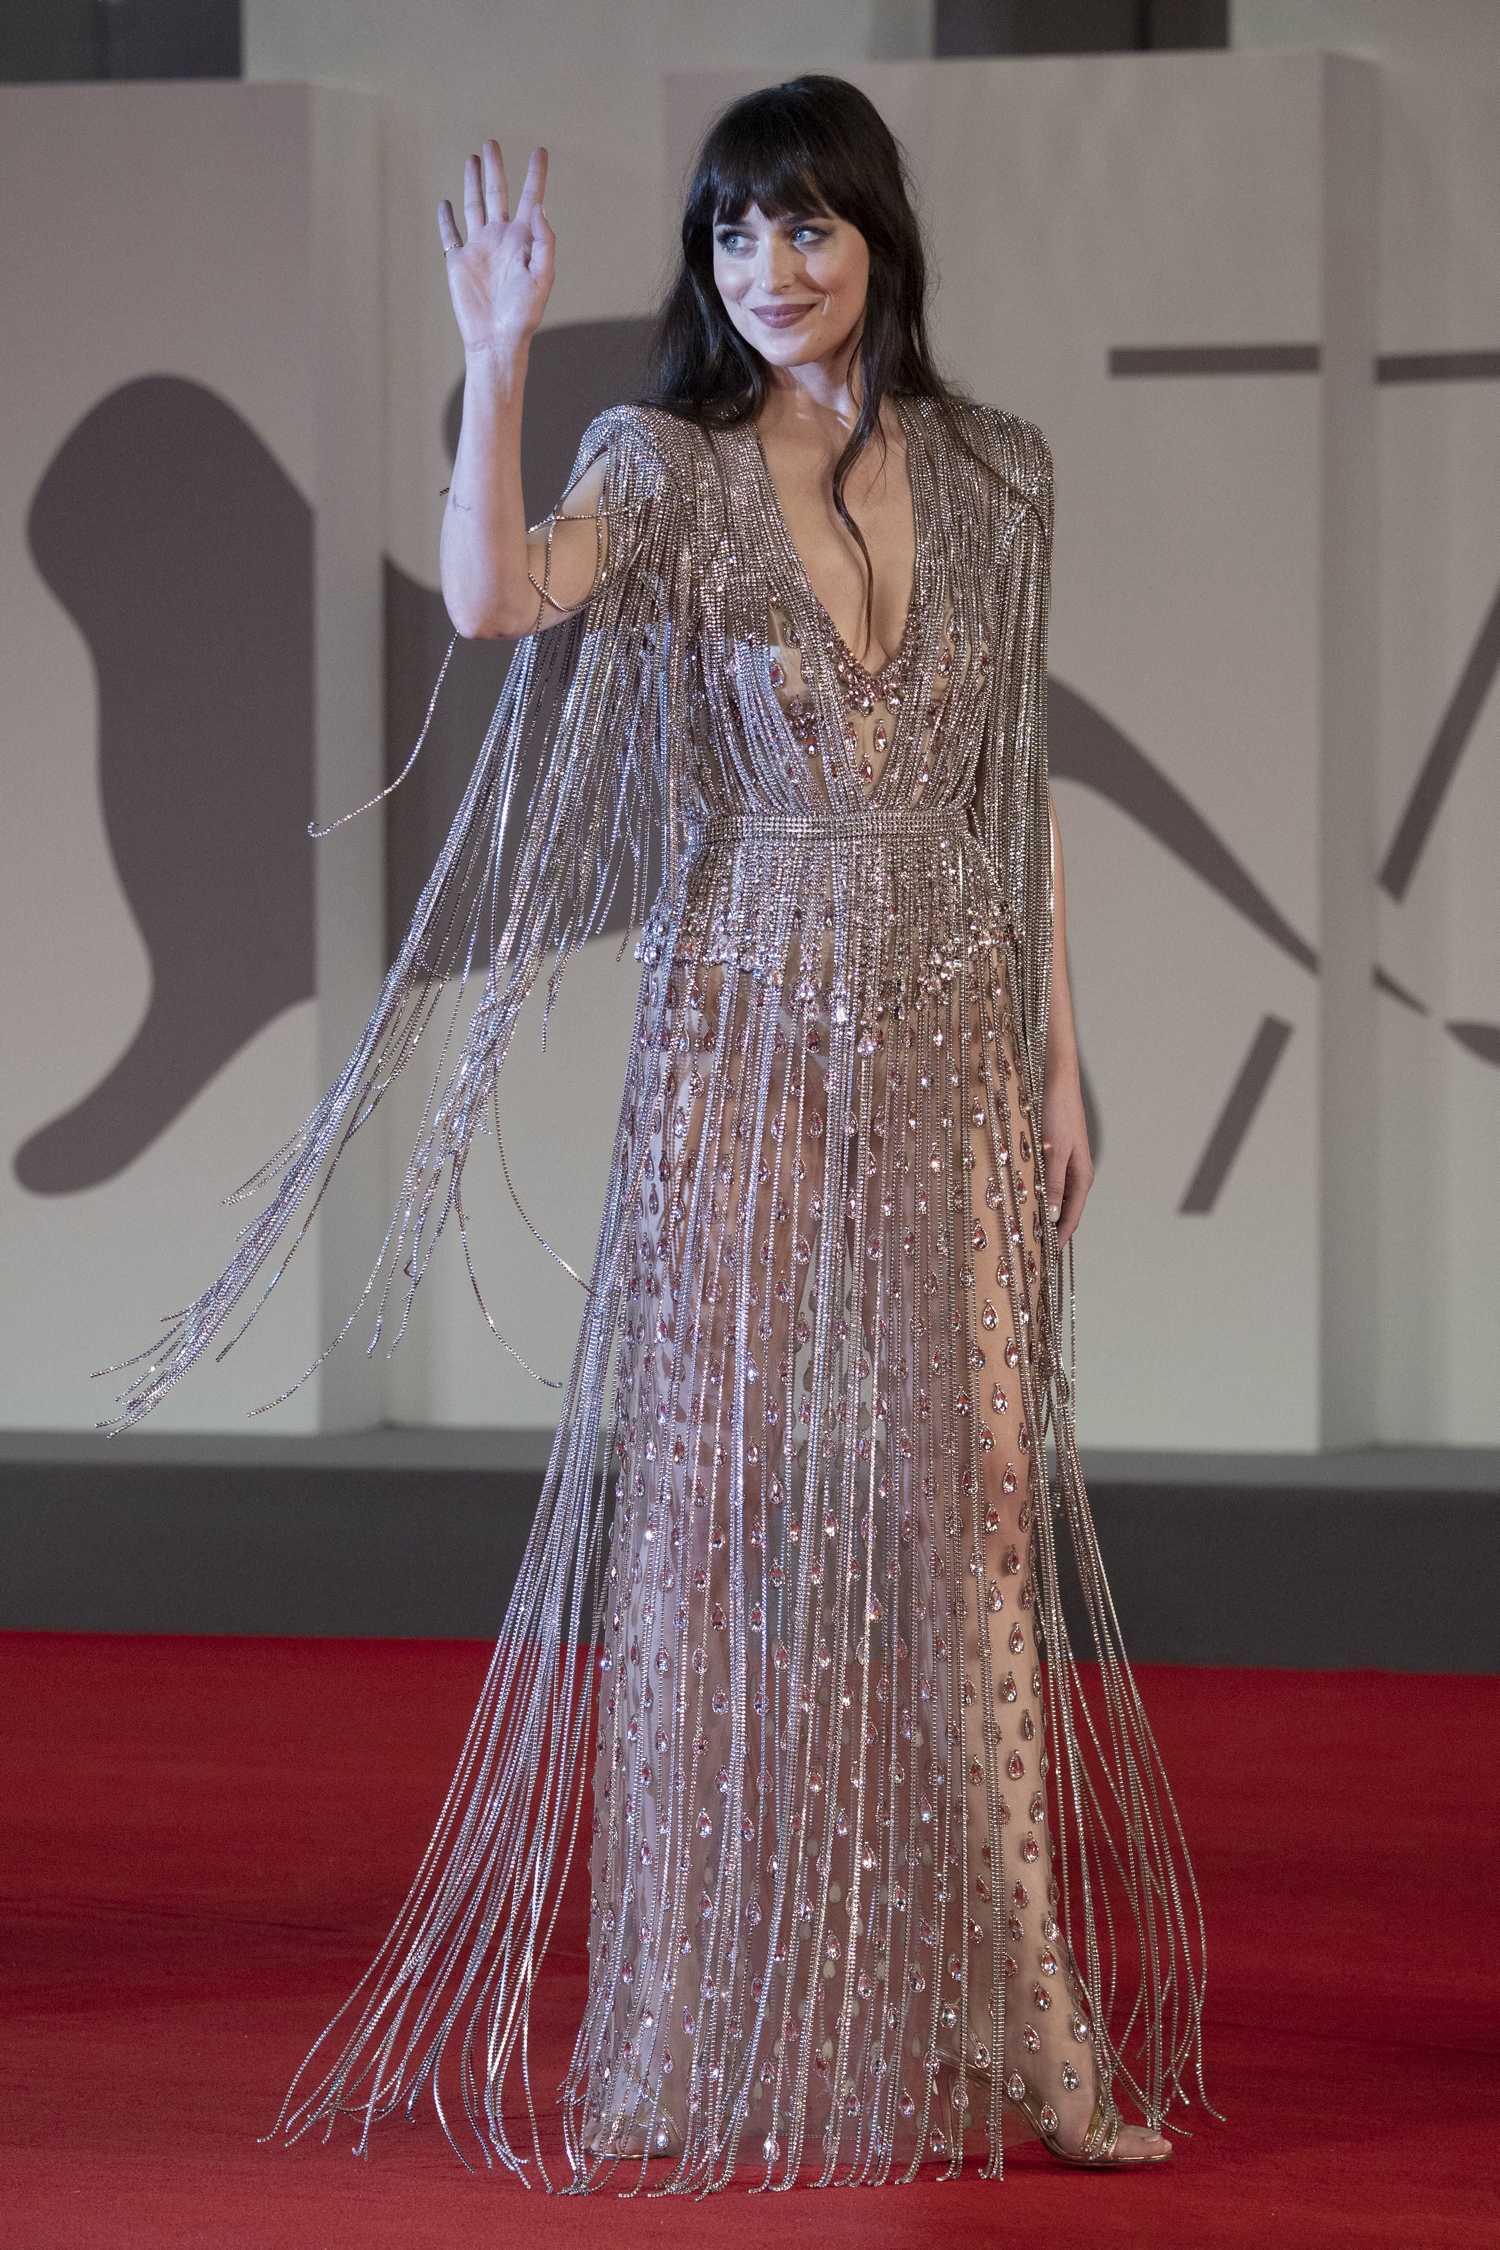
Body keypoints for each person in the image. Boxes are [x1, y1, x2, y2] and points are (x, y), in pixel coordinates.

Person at [95, 74, 1222, 2192]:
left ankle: (1032, 2030)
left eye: (803, 226)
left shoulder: (1002, 472)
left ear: (876, 233)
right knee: (715, 1512)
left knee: (983, 1507)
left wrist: (1060, 1064)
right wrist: (498, 354)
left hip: (957, 1032)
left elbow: (1016, 787)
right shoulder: (669, 465)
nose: (767, 269)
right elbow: (495, 600)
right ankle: (694, 2026)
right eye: (730, 234)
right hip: (746, 1038)